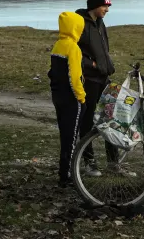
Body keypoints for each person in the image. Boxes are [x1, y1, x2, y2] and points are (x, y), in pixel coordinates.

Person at [75, 0, 124, 176]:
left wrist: (106, 65)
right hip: (88, 80)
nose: (107, 9)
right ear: (95, 4)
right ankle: (89, 162)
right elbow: (74, 52)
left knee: (110, 118)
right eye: (105, 5)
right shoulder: (79, 22)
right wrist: (92, 65)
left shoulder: (100, 23)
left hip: (104, 79)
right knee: (87, 121)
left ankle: (113, 163)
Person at [47, 11, 86, 188]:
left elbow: (52, 72)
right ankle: (67, 174)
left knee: (65, 134)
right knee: (72, 137)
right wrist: (81, 97)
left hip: (57, 96)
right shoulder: (73, 48)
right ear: (76, 28)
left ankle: (64, 170)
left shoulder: (57, 45)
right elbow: (74, 77)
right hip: (71, 99)